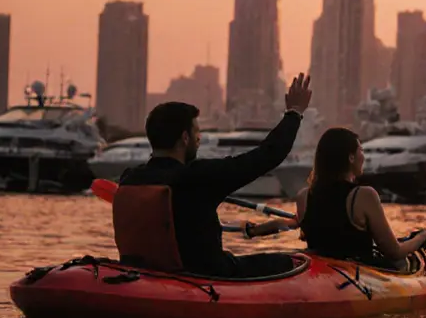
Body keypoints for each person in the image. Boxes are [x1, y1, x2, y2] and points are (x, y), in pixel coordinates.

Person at [113, 73, 312, 277]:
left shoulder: (130, 178)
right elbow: (266, 156)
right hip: (206, 275)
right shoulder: (197, 177)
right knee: (285, 262)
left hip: (149, 272)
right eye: (196, 133)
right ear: (185, 137)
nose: (199, 140)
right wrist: (294, 113)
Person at [245, 126, 426, 267]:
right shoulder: (364, 195)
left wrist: (254, 230)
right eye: (361, 150)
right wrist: (421, 238)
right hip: (355, 275)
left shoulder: (305, 196)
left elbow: (292, 223)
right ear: (351, 157)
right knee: (405, 263)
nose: (363, 156)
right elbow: (394, 252)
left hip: (317, 269)